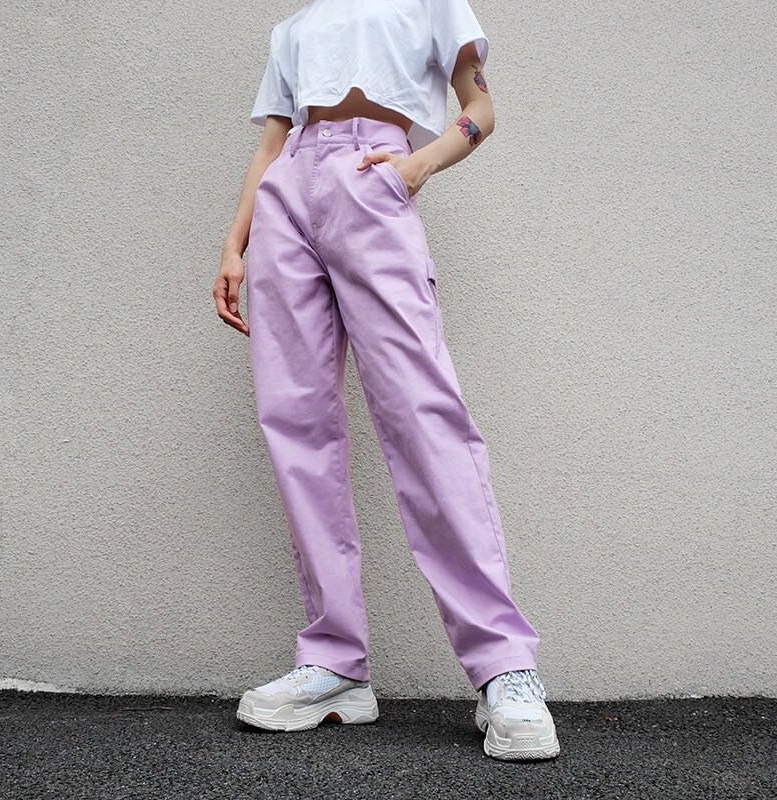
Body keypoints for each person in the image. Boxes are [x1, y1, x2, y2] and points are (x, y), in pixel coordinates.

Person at [213, 0, 561, 761]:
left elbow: (480, 110)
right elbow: (272, 142)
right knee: (296, 425)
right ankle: (335, 661)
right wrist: (237, 243)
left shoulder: (430, 3)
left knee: (422, 416)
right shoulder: (294, 28)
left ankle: (504, 666)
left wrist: (415, 166)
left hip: (372, 180)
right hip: (286, 198)